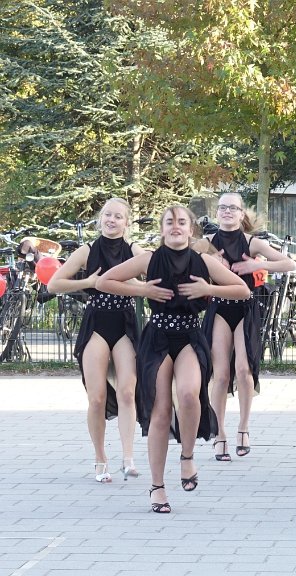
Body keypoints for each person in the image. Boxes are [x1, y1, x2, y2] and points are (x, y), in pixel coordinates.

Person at [96, 205, 249, 514]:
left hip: (190, 336)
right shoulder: (149, 259)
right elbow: (103, 282)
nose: (176, 227)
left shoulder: (202, 260)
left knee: (190, 394)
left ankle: (188, 457)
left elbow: (242, 290)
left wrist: (208, 288)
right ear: (162, 228)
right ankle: (157, 487)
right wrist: (139, 289)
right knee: (161, 413)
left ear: (190, 229)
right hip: (158, 337)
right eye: (170, 222)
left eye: (182, 222)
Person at [48, 198, 147, 482]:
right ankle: (100, 459)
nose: (111, 220)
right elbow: (54, 283)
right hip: (97, 323)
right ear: (100, 219)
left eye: (118, 216)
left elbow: (154, 280)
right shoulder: (87, 250)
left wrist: (135, 287)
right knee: (97, 398)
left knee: (128, 391)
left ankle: (128, 458)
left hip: (125, 323)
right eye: (107, 215)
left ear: (127, 222)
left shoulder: (134, 251)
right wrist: (88, 283)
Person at [198, 193, 295, 462]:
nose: (227, 211)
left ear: (242, 214)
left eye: (233, 208)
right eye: (222, 207)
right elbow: (179, 260)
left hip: (246, 307)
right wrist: (208, 264)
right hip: (219, 307)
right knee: (220, 374)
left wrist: (257, 264)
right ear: (217, 213)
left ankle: (243, 428)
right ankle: (219, 434)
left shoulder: (252, 242)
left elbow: (288, 263)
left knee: (243, 368)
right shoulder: (206, 243)